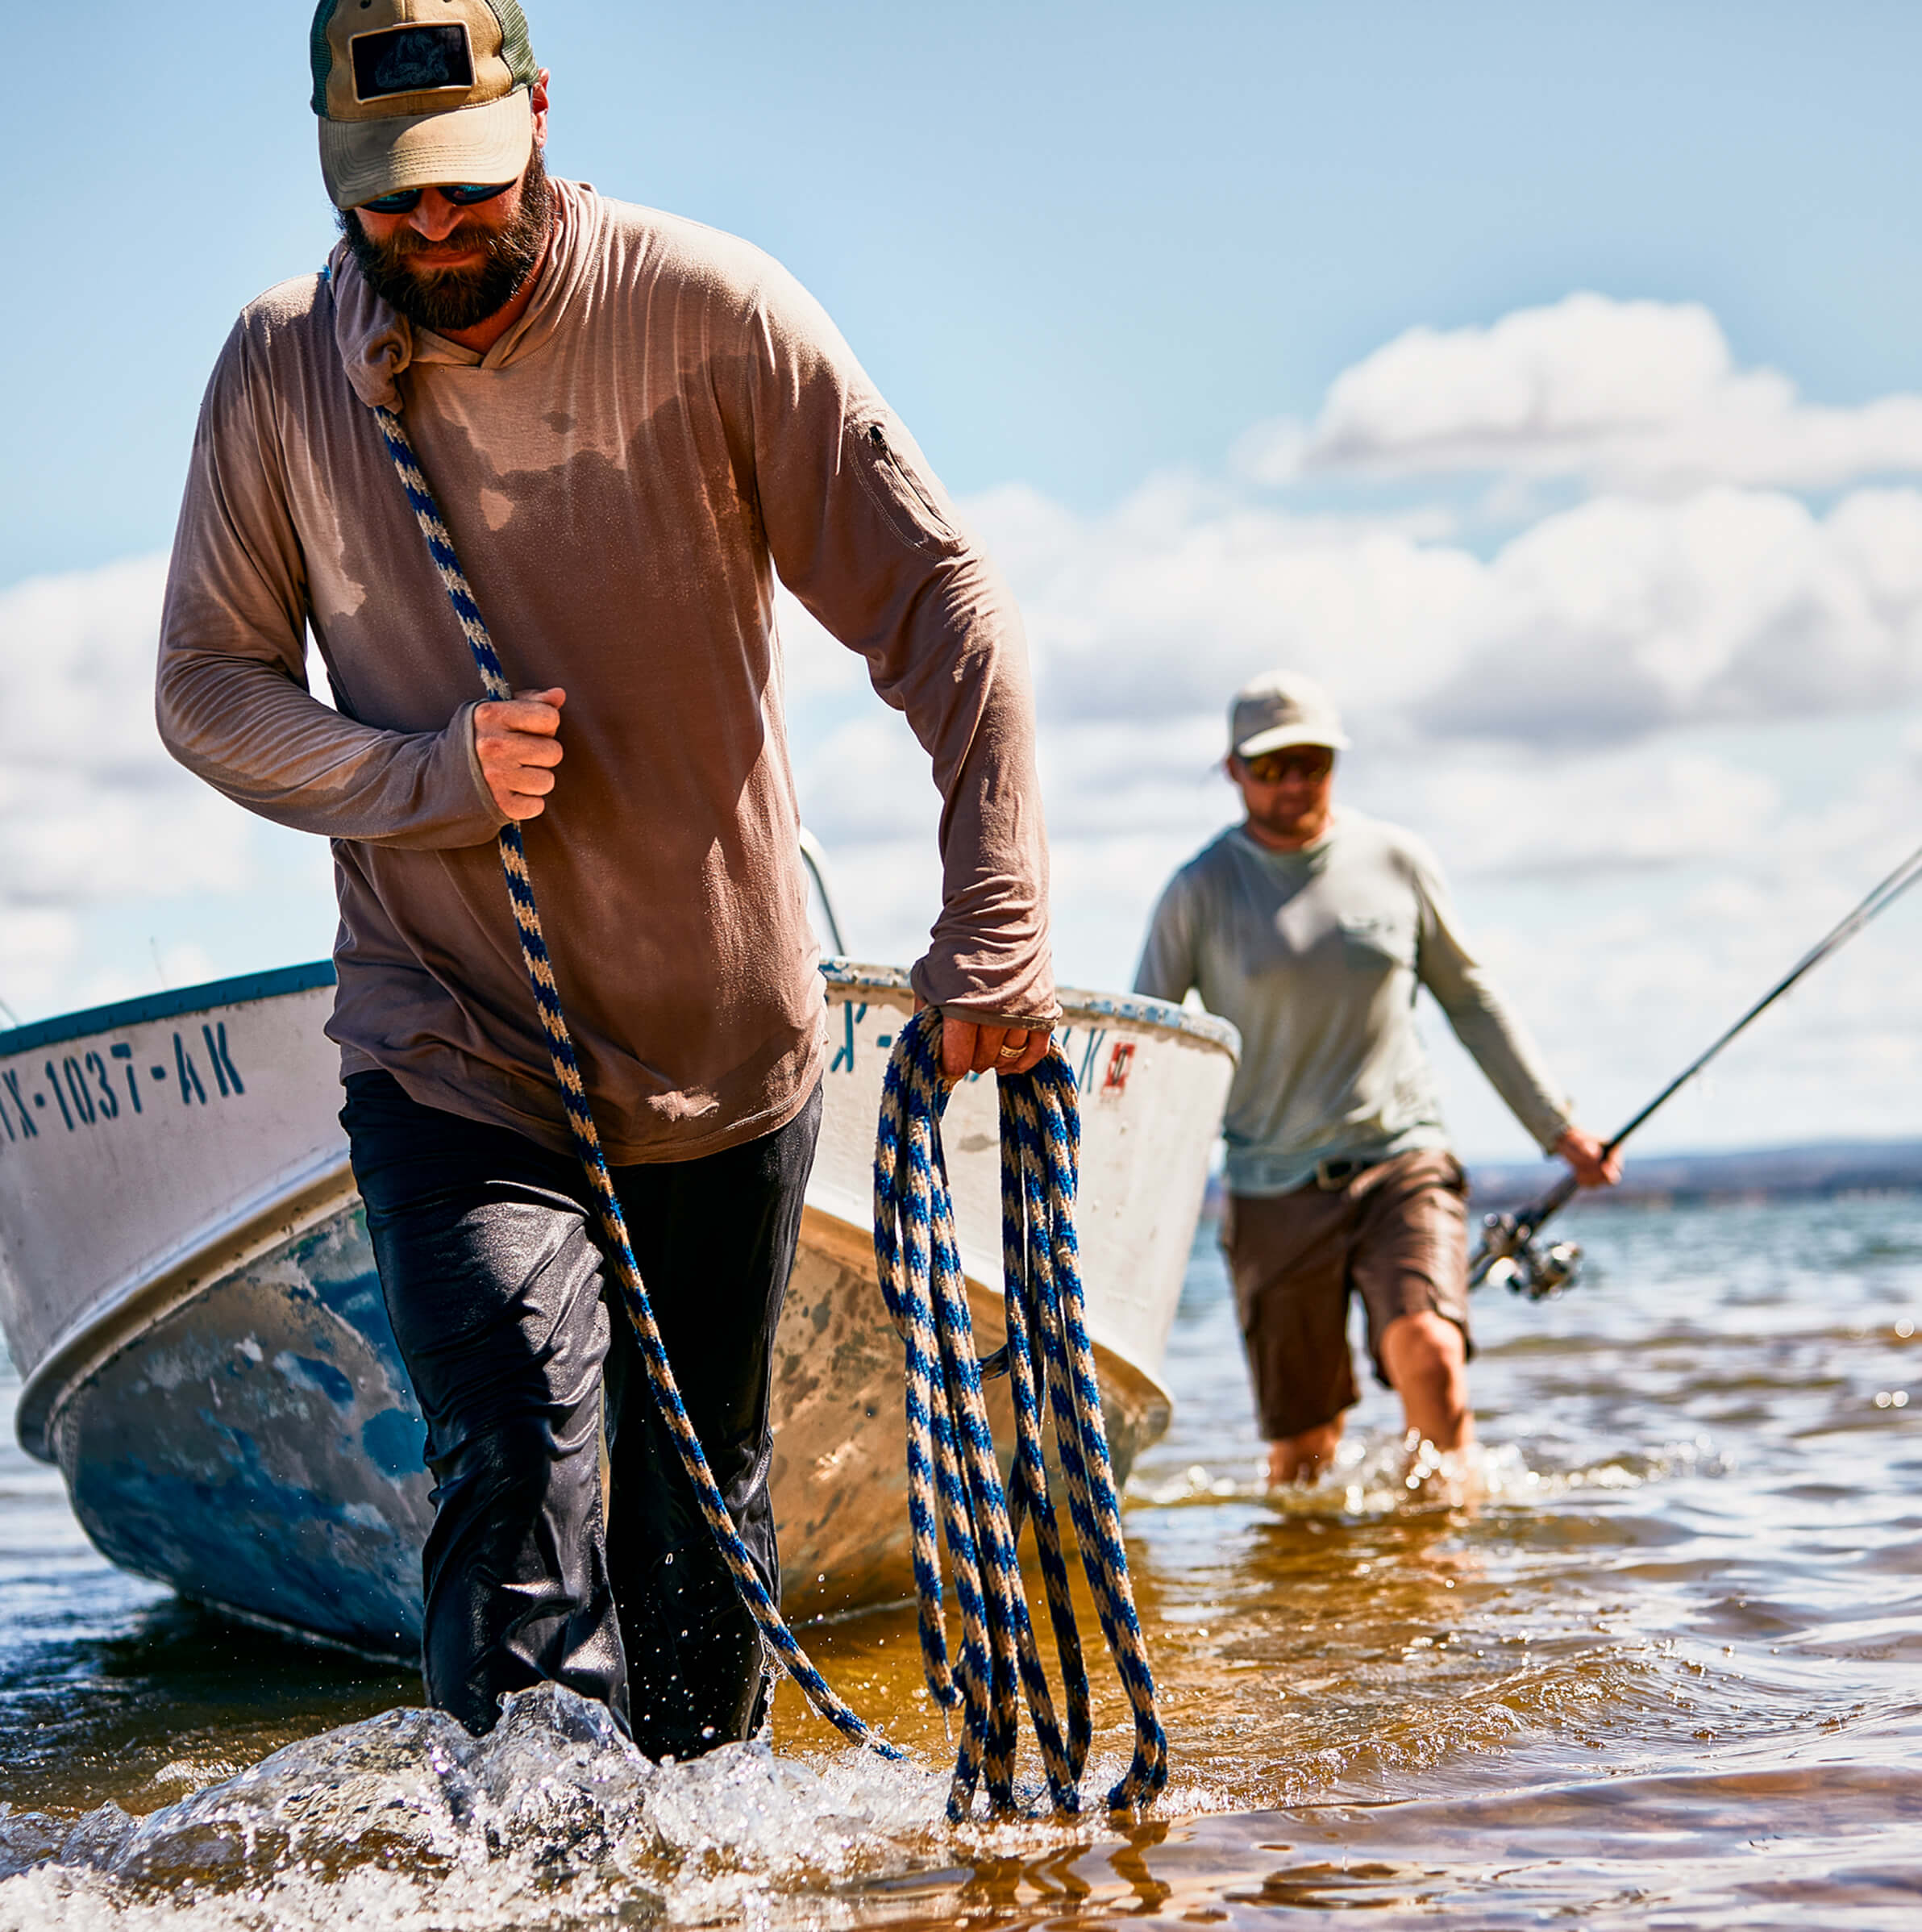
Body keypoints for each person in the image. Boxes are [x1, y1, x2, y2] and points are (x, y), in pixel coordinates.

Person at [156, 0, 1057, 1756]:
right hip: (451, 1040)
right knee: (515, 1432)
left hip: (723, 1053)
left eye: (468, 193)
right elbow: (208, 686)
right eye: (391, 203)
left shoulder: (714, 315)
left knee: (697, 1512)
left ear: (543, 116)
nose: (435, 233)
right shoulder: (277, 370)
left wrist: (993, 929)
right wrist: (422, 779)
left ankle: (694, 1863)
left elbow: (950, 602)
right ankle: (520, 1873)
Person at [1134, 672, 1617, 1487]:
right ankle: (1323, 1604)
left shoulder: (1395, 861)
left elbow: (1469, 997)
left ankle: (1440, 1585)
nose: (1293, 782)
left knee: (1430, 1355)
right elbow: (1152, 1042)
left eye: (1311, 762)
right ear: (1232, 770)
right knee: (1304, 1452)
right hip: (1270, 1185)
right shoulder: (1199, 889)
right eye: (1271, 765)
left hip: (1402, 1157)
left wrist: (1556, 1128)